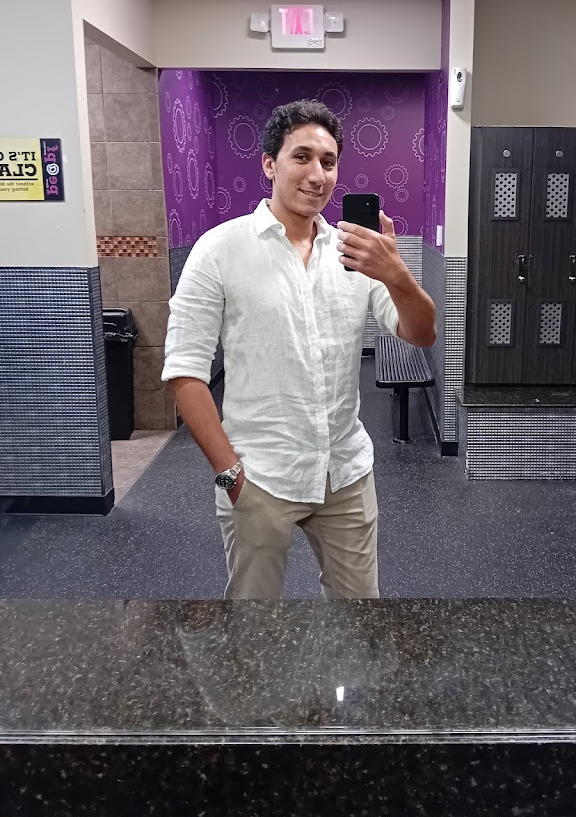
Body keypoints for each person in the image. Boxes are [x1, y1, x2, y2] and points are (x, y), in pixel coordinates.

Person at [162, 99, 436, 600]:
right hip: (261, 475)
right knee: (253, 619)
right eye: (302, 157)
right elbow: (185, 371)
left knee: (362, 617)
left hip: (345, 473)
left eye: (329, 162)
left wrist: (397, 274)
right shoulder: (219, 250)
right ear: (270, 164)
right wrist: (230, 474)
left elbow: (421, 334)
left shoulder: (356, 253)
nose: (317, 175)